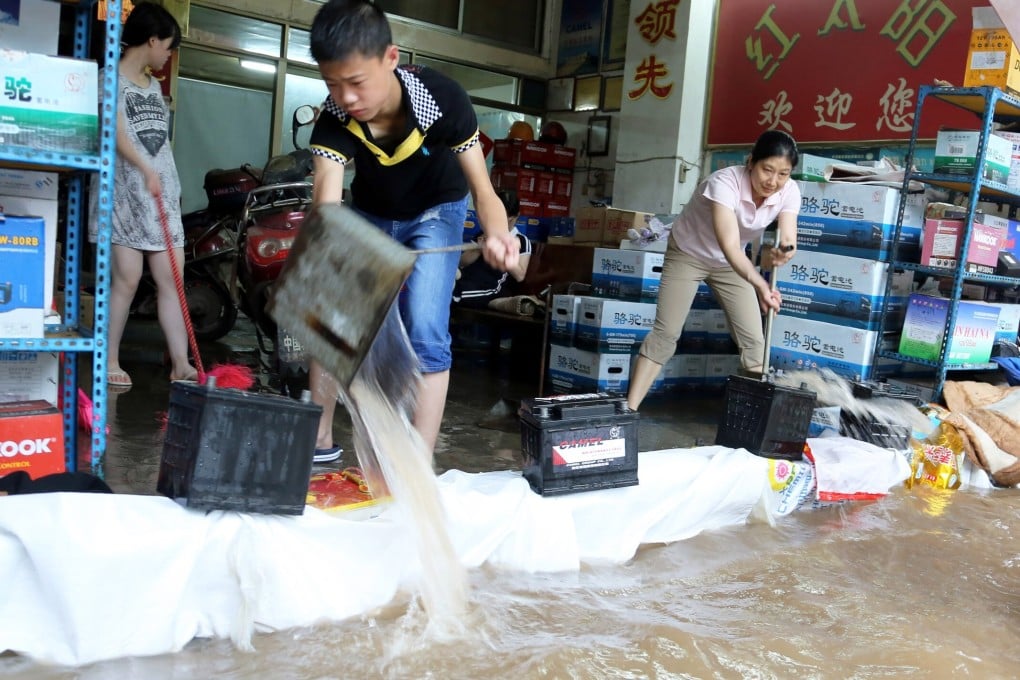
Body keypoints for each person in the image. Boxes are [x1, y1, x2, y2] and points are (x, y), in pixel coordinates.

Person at [306, 0, 519, 463]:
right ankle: (319, 439)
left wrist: (498, 234)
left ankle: (416, 459)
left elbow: (484, 191)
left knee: (425, 326)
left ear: (391, 58)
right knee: (330, 321)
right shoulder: (334, 117)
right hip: (371, 212)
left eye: (357, 82)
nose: (347, 98)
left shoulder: (444, 99)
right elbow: (326, 204)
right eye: (332, 84)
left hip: (437, 209)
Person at [627, 130, 801, 411]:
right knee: (666, 334)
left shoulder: (789, 191)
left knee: (755, 342)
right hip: (688, 254)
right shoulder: (724, 183)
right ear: (750, 162)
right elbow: (731, 245)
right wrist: (761, 285)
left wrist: (786, 249)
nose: (773, 181)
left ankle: (753, 418)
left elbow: (788, 233)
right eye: (767, 169)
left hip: (730, 266)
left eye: (783, 173)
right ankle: (629, 410)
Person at [89, 2, 194, 388]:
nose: (168, 54)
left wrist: (162, 177)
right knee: (127, 280)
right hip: (123, 195)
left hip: (161, 197)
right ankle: (109, 358)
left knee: (172, 282)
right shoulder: (108, 80)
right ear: (151, 40)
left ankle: (181, 363)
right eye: (167, 45)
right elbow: (114, 136)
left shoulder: (155, 88)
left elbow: (159, 144)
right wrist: (145, 168)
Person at [452, 188, 532, 309]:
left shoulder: (521, 240)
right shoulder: (482, 234)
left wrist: (502, 249)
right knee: (446, 286)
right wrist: (479, 249)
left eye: (509, 219)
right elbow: (462, 262)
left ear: (516, 217)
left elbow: (520, 275)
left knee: (452, 293)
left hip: (491, 288)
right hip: (467, 279)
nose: (504, 223)